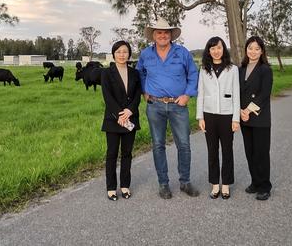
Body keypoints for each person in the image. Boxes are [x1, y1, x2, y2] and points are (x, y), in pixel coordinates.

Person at [136, 18, 200, 199]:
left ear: (171, 35)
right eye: (159, 32)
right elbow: (139, 73)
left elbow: (193, 74)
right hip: (154, 105)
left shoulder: (182, 53)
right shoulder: (146, 54)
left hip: (178, 106)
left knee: (184, 145)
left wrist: (187, 95)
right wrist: (143, 91)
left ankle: (185, 182)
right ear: (153, 36)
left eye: (166, 32)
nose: (163, 35)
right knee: (158, 145)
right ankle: (163, 184)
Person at [196, 37, 240, 199]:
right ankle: (215, 184)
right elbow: (200, 94)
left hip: (227, 115)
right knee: (212, 151)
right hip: (209, 115)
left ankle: (226, 184)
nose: (216, 51)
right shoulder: (204, 69)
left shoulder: (232, 69)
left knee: (227, 151)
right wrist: (200, 117)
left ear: (224, 49)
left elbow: (236, 94)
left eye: (219, 48)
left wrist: (236, 119)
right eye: (212, 48)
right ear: (208, 51)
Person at [100, 41, 142, 201]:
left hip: (130, 118)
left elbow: (138, 94)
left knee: (127, 153)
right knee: (111, 154)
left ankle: (125, 186)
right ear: (113, 54)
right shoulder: (106, 73)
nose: (122, 54)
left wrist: (130, 111)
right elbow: (107, 96)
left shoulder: (135, 73)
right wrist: (119, 115)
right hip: (113, 119)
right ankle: (111, 187)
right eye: (118, 52)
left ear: (129, 54)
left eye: (125, 51)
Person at [239, 36, 274, 201]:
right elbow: (237, 92)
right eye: (250, 48)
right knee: (249, 152)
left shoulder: (265, 69)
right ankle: (255, 181)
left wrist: (248, 110)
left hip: (259, 118)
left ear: (262, 51)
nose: (252, 51)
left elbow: (264, 94)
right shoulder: (241, 68)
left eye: (256, 49)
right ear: (246, 50)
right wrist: (240, 110)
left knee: (261, 153)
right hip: (244, 117)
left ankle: (265, 186)